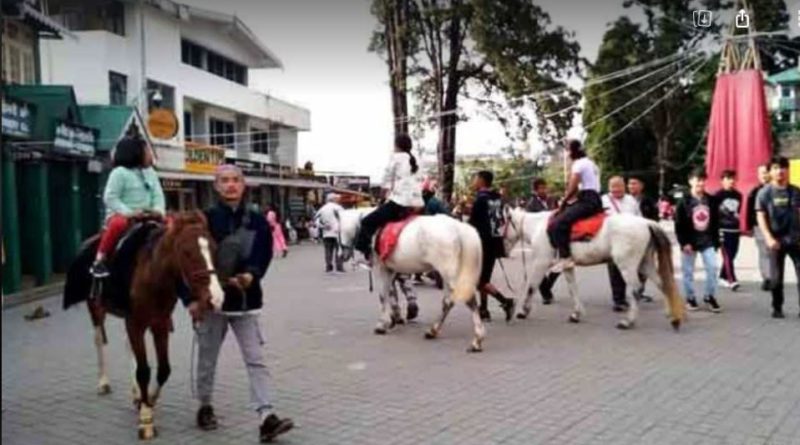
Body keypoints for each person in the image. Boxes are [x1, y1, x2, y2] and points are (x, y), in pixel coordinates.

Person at [196, 165, 294, 442]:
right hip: (214, 302)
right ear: (216, 186)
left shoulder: (258, 221)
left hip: (246, 301)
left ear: (243, 184)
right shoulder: (204, 220)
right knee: (207, 358)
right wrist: (195, 298)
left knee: (256, 360)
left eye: (235, 180)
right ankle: (204, 406)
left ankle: (266, 416)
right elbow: (193, 261)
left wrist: (251, 274)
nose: (230, 185)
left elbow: (263, 255)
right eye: (224, 181)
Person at [90, 137, 165, 278]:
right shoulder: (119, 173)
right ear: (136, 153)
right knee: (118, 224)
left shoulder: (151, 173)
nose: (150, 153)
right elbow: (110, 197)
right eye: (147, 150)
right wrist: (130, 213)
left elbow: (158, 196)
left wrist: (157, 210)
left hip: (148, 216)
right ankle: (100, 259)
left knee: (173, 224)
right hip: (123, 216)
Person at [355, 134, 424, 265]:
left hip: (399, 203)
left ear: (397, 145)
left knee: (367, 222)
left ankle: (366, 254)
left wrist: (381, 197)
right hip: (418, 204)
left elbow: (386, 181)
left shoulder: (396, 158)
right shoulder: (417, 160)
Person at [547, 140, 603, 272]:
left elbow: (573, 186)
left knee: (558, 223)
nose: (567, 154)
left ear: (572, 151)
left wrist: (564, 202)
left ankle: (565, 258)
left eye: (567, 150)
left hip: (588, 199)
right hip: (593, 198)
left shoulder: (578, 164)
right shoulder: (591, 163)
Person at [755, 156, 800, 319]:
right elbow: (761, 216)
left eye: (783, 167)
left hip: (796, 240)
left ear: (788, 170)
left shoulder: (795, 191)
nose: (779, 171)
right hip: (775, 241)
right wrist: (768, 237)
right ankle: (777, 307)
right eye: (775, 168)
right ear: (770, 171)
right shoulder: (764, 193)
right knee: (776, 279)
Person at [468, 170, 515, 322]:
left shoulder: (480, 200)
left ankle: (506, 302)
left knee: (480, 281)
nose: (473, 181)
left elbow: (472, 224)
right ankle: (484, 309)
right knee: (485, 278)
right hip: (495, 241)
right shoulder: (497, 198)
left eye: (475, 178)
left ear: (481, 180)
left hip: (482, 243)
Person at [675, 168, 721, 313]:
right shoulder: (683, 202)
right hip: (690, 242)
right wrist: (684, 243)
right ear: (690, 181)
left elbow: (716, 222)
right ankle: (690, 298)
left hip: (708, 241)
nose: (700, 183)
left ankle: (709, 296)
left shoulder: (711, 200)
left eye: (702, 180)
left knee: (712, 268)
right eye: (697, 179)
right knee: (688, 272)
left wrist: (716, 242)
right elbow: (678, 224)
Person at [602, 176, 641, 312]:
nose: (617, 189)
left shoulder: (631, 201)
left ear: (624, 187)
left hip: (631, 241)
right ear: (609, 188)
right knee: (615, 271)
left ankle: (634, 294)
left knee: (633, 269)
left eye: (619, 186)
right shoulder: (604, 200)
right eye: (614, 186)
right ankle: (618, 300)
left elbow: (639, 218)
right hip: (612, 241)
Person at [526, 178, 560, 304]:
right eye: (541, 188)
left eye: (545, 187)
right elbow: (529, 224)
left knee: (559, 266)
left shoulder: (552, 200)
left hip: (553, 237)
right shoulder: (531, 205)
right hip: (539, 239)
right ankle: (546, 295)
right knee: (541, 266)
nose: (544, 190)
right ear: (535, 191)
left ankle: (547, 288)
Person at [746, 163, 773, 291]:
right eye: (761, 173)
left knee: (775, 253)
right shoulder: (755, 191)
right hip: (759, 227)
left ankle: (775, 276)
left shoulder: (777, 189)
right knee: (764, 253)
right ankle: (767, 278)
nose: (763, 175)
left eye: (765, 172)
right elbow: (749, 211)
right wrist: (750, 226)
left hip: (776, 227)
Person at [715, 170, 743, 291]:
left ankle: (722, 277)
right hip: (723, 228)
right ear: (722, 181)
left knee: (733, 254)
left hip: (735, 229)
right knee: (727, 255)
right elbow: (714, 213)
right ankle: (732, 280)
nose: (731, 181)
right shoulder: (717, 195)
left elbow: (738, 211)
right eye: (728, 178)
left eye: (733, 178)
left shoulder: (738, 195)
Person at [314, 193, 345, 273]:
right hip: (338, 232)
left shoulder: (322, 209)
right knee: (339, 249)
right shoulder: (338, 208)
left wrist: (323, 226)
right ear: (334, 199)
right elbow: (344, 219)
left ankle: (328, 266)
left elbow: (316, 221)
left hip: (326, 233)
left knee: (328, 250)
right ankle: (339, 266)